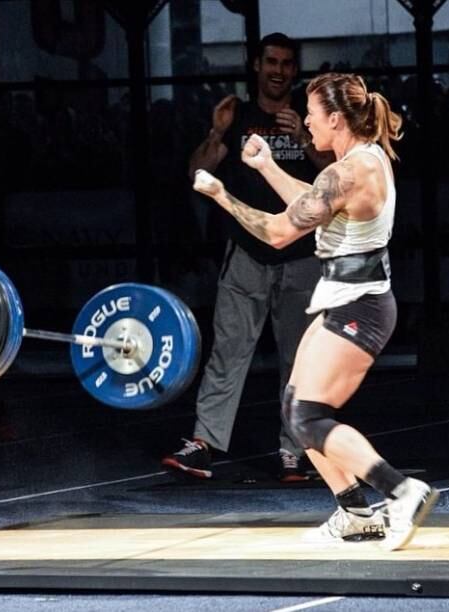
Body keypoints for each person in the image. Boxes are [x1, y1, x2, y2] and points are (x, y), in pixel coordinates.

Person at [190, 72, 438, 551]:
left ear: (336, 119)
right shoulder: (356, 164)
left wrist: (221, 195)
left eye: (312, 114)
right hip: (344, 301)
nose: (306, 121)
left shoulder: (349, 171)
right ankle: (355, 513)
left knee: (308, 414)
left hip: (360, 307)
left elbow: (280, 232)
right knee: (294, 408)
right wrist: (267, 166)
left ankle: (402, 492)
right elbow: (314, 202)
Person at [161, 33, 333, 482]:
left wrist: (304, 138)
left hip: (302, 254)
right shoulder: (237, 115)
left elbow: (336, 178)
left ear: (295, 70)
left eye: (287, 63)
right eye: (271, 62)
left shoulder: (310, 116)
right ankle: (203, 444)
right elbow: (197, 171)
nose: (279, 70)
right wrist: (218, 131)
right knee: (228, 352)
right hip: (247, 253)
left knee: (299, 359)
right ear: (256, 65)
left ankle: (295, 451)